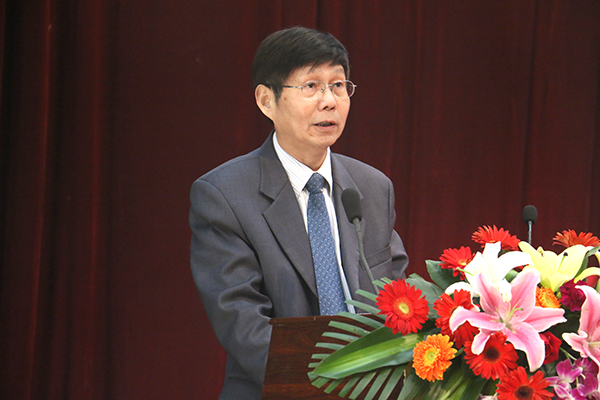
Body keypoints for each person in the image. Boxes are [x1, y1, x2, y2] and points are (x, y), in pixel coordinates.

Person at [190, 26, 408, 400]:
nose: (329, 101)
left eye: (338, 86)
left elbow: (396, 300)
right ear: (266, 100)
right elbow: (243, 323)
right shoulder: (224, 194)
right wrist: (335, 388)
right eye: (311, 86)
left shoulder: (371, 187)